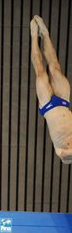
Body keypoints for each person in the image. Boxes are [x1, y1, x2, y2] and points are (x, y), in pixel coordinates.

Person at [30, 15, 72, 164]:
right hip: (64, 101)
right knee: (55, 67)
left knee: (40, 70)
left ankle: (34, 36)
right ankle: (45, 34)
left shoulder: (62, 153)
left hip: (48, 105)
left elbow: (65, 154)